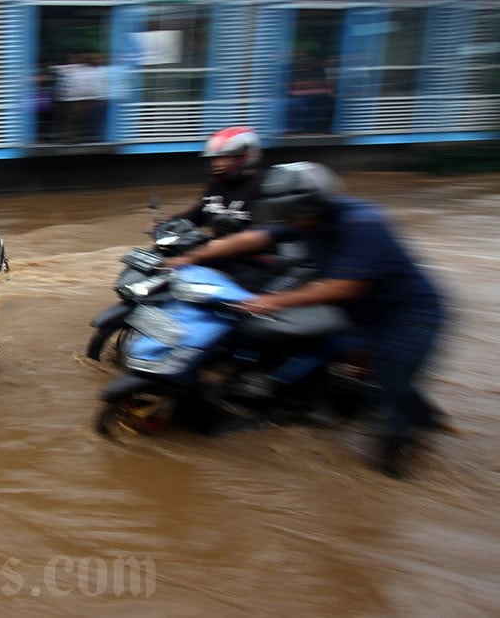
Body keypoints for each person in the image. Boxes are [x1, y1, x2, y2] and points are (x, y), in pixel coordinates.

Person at [163, 162, 447, 478]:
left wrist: (271, 301)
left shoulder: (362, 223)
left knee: (387, 391)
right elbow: (253, 238)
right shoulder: (304, 219)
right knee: (363, 371)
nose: (293, 224)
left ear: (316, 205)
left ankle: (395, 465)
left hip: (407, 315)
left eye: (297, 217)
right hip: (360, 313)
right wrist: (195, 256)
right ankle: (425, 417)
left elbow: (344, 286)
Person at [167, 126, 263, 237]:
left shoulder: (264, 187)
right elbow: (198, 214)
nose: (216, 164)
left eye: (223, 158)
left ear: (244, 158)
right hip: (217, 249)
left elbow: (266, 233)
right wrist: (168, 224)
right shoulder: (217, 184)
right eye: (214, 158)